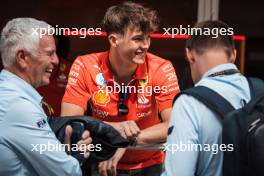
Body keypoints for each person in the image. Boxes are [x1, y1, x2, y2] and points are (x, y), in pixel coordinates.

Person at [61, 1, 180, 176]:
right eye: (138, 38)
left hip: (148, 164)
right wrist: (114, 130)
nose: (146, 45)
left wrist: (125, 142)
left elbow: (174, 125)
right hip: (99, 161)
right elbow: (69, 122)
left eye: (148, 37)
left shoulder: (161, 67)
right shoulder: (85, 65)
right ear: (114, 40)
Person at [0, 18, 91, 175]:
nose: (56, 60)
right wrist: (76, 155)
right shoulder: (17, 106)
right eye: (50, 53)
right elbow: (67, 172)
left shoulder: (8, 94)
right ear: (22, 57)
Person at [162, 20, 251, 176]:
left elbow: (178, 173)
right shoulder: (258, 92)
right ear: (234, 55)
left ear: (189, 54)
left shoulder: (189, 103)